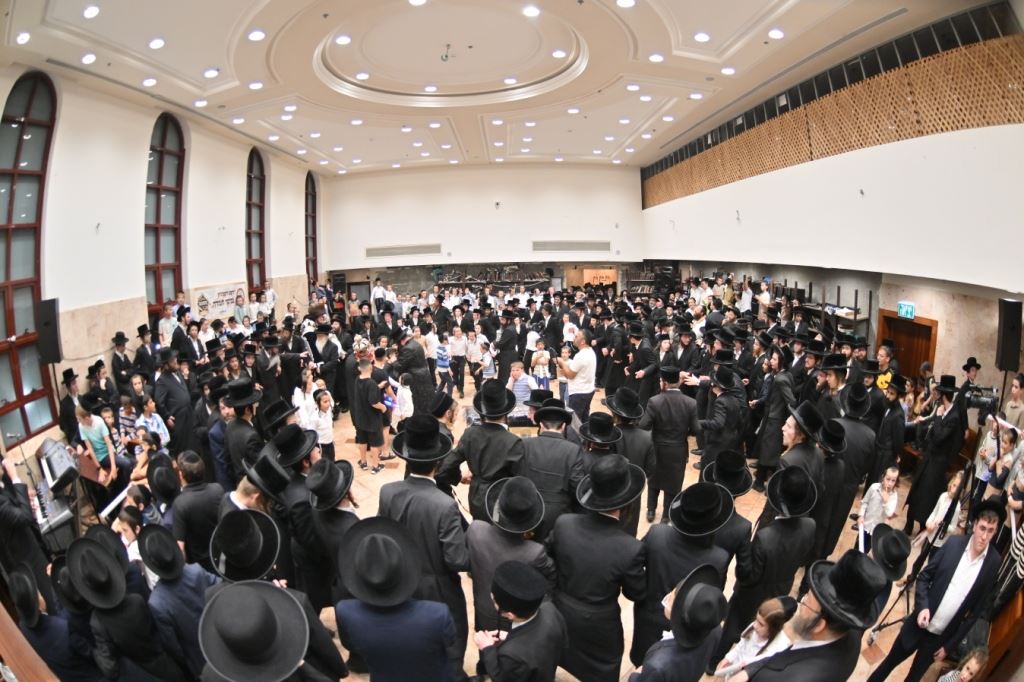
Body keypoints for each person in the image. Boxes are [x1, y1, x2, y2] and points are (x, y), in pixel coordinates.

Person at [867, 499, 1004, 682]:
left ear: (996, 531)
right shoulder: (953, 544)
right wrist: (922, 606)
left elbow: (975, 614)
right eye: (982, 528)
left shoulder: (993, 562)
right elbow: (924, 576)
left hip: (938, 640)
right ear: (974, 525)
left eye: (990, 531)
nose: (984, 536)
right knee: (888, 664)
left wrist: (949, 646)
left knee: (914, 678)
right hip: (917, 624)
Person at [378, 415, 470, 677]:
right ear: (438, 462)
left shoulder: (387, 492)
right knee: (449, 648)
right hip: (439, 591)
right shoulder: (444, 505)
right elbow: (456, 560)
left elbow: (382, 538)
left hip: (399, 586)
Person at [547, 454, 646, 682]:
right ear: (627, 502)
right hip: (599, 626)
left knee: (556, 653)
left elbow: (547, 557)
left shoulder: (564, 523)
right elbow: (636, 592)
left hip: (559, 609)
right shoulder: (630, 548)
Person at [712, 466, 817, 671]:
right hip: (781, 589)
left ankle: (714, 662)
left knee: (733, 626)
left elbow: (749, 576)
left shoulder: (765, 537)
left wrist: (744, 553)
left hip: (752, 595)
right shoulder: (810, 525)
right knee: (764, 630)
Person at [336, 517, 458, 682]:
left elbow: (350, 644)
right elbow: (450, 641)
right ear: (406, 568)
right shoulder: (437, 615)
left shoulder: (345, 611)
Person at [735, 550, 887, 682]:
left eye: (807, 601)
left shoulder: (781, 678)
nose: (801, 601)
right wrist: (750, 670)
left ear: (819, 625)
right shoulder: (851, 634)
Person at [630, 482, 732, 666]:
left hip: (648, 617)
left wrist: (644, 593)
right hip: (684, 630)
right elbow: (710, 596)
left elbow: (634, 566)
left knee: (642, 662)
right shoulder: (719, 558)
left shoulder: (657, 534)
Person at [467, 477, 555, 635]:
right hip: (515, 623)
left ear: (498, 507)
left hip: (483, 612)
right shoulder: (534, 552)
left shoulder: (475, 530)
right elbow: (551, 575)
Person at [137, 523, 220, 677]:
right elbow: (220, 587)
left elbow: (173, 646)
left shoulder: (157, 603)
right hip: (223, 636)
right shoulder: (195, 570)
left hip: (201, 660)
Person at [436, 381, 524, 520]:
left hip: (476, 498)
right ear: (507, 411)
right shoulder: (514, 442)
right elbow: (521, 478)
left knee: (479, 529)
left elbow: (445, 466)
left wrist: (458, 477)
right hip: (501, 500)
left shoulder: (470, 434)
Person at [629, 564, 728, 682]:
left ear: (678, 616)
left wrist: (635, 676)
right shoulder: (714, 629)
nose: (668, 596)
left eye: (671, 598)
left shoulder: (657, 666)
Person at [475, 560, 567, 682]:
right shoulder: (550, 609)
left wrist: (487, 649)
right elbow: (562, 644)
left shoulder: (511, 654)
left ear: (510, 615)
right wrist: (512, 638)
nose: (492, 597)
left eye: (494, 599)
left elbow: (501, 678)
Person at [9, 565, 103, 682]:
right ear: (37, 602)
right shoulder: (64, 628)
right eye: (38, 593)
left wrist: (54, 583)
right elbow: (93, 656)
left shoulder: (24, 629)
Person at [904, 375, 964, 536]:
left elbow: (938, 437)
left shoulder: (954, 416)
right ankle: (909, 523)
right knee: (916, 489)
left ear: (943, 395)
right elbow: (931, 435)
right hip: (928, 457)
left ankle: (922, 527)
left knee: (928, 495)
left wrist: (938, 417)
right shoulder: (943, 410)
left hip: (938, 463)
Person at [518, 398, 585, 541]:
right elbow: (576, 486)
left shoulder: (525, 444)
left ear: (541, 425)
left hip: (529, 510)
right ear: (563, 427)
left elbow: (518, 475)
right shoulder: (573, 450)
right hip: (559, 515)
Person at [640, 365, 699, 523]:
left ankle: (651, 510)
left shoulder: (654, 401)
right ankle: (666, 515)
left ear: (664, 383)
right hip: (678, 449)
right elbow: (696, 429)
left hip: (657, 448)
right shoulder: (691, 403)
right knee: (673, 483)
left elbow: (643, 425)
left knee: (654, 479)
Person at [605, 386, 655, 536]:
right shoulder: (647, 438)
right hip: (633, 493)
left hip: (608, 493)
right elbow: (650, 470)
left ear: (614, 413)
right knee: (629, 531)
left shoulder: (608, 435)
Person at [716, 597, 795, 679]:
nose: (755, 625)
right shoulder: (754, 628)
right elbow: (741, 645)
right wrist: (728, 658)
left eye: (761, 624)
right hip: (733, 674)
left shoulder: (779, 648)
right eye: (756, 620)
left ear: (774, 628)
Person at [702, 448, 754, 573]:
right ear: (740, 485)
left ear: (714, 475)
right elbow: (744, 571)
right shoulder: (742, 527)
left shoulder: (690, 503)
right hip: (713, 579)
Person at [171, 450, 223, 572]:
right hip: (222, 555)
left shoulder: (180, 504)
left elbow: (180, 547)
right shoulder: (217, 489)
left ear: (181, 475)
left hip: (202, 566)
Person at [353, 358, 387, 473]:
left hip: (360, 417)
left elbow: (365, 391)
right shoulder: (371, 383)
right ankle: (375, 466)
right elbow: (374, 402)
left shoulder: (357, 379)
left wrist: (378, 387)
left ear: (360, 369)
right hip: (372, 419)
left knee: (362, 441)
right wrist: (383, 407)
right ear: (371, 368)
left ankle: (363, 462)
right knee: (374, 443)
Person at [558, 329, 598, 421]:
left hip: (579, 393)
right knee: (584, 418)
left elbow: (570, 375)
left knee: (574, 421)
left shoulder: (580, 356)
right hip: (588, 390)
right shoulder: (591, 352)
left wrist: (562, 363)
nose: (574, 337)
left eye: (576, 336)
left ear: (583, 341)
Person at [858, 466, 899, 551]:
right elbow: (865, 502)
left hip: (876, 531)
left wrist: (886, 502)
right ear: (883, 477)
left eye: (893, 481)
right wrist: (861, 515)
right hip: (865, 525)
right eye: (888, 479)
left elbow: (889, 514)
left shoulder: (893, 496)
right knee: (858, 547)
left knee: (866, 550)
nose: (890, 483)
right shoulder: (874, 487)